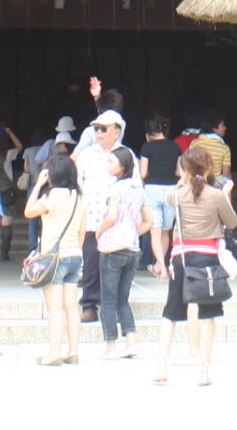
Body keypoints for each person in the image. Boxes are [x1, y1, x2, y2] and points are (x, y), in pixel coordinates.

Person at [154, 145, 237, 388]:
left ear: (185, 169)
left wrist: (185, 178)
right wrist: (227, 193)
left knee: (170, 314)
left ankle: (162, 365)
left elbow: (171, 195)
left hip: (181, 258)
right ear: (210, 167)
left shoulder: (178, 195)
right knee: (208, 316)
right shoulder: (216, 195)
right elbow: (232, 221)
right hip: (207, 260)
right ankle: (203, 370)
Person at [24, 151, 84, 366]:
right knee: (71, 306)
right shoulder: (79, 196)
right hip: (74, 256)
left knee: (55, 308)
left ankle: (54, 352)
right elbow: (82, 232)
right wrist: (75, 249)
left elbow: (29, 212)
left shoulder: (52, 195)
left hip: (54, 258)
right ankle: (73, 351)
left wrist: (38, 185)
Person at [95, 144, 147, 359]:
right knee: (122, 299)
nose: (108, 165)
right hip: (132, 248)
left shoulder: (115, 188)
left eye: (112, 162)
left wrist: (99, 232)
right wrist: (134, 233)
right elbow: (148, 220)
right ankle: (131, 342)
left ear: (123, 166)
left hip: (113, 248)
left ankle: (111, 347)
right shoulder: (138, 189)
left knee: (107, 298)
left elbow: (111, 216)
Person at [74, 107, 125, 323]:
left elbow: (134, 186)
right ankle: (89, 304)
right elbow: (77, 184)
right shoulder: (86, 154)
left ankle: (112, 304)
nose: (99, 133)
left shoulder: (125, 154)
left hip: (118, 222)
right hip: (92, 219)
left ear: (117, 130)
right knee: (91, 264)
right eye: (96, 128)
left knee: (115, 266)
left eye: (104, 129)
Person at [141, 114, 182, 277]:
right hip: (171, 189)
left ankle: (162, 268)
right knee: (166, 230)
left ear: (148, 132)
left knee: (155, 232)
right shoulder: (175, 147)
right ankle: (160, 264)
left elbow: (143, 173)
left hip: (152, 190)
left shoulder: (147, 147)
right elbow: (179, 171)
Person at [0, 125, 24, 261]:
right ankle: (4, 255)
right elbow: (20, 147)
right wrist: (11, 133)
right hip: (6, 192)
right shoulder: (9, 154)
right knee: (5, 223)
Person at [195, 110, 233, 182]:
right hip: (214, 189)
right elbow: (226, 174)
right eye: (223, 125)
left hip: (197, 187)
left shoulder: (195, 143)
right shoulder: (224, 148)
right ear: (214, 129)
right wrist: (229, 191)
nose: (225, 128)